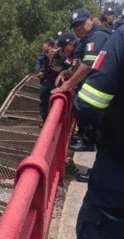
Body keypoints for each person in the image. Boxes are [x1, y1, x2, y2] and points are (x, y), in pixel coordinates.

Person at [75, 25, 124, 239]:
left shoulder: (121, 37)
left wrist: (92, 131)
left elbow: (89, 102)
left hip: (117, 169)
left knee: (99, 232)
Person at [51, 8, 111, 151]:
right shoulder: (87, 38)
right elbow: (76, 69)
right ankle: (90, 141)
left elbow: (86, 67)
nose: (79, 29)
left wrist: (66, 85)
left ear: (90, 19)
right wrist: (65, 73)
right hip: (110, 81)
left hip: (114, 84)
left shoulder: (97, 36)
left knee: (82, 101)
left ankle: (89, 140)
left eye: (81, 24)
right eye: (76, 27)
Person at [37, 38, 65, 122]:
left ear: (54, 47)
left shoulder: (62, 56)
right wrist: (38, 70)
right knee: (44, 95)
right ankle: (44, 119)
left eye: (47, 51)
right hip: (47, 80)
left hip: (57, 82)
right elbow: (39, 59)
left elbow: (71, 66)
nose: (46, 54)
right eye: (45, 52)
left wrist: (62, 69)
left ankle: (56, 120)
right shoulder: (46, 55)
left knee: (56, 100)